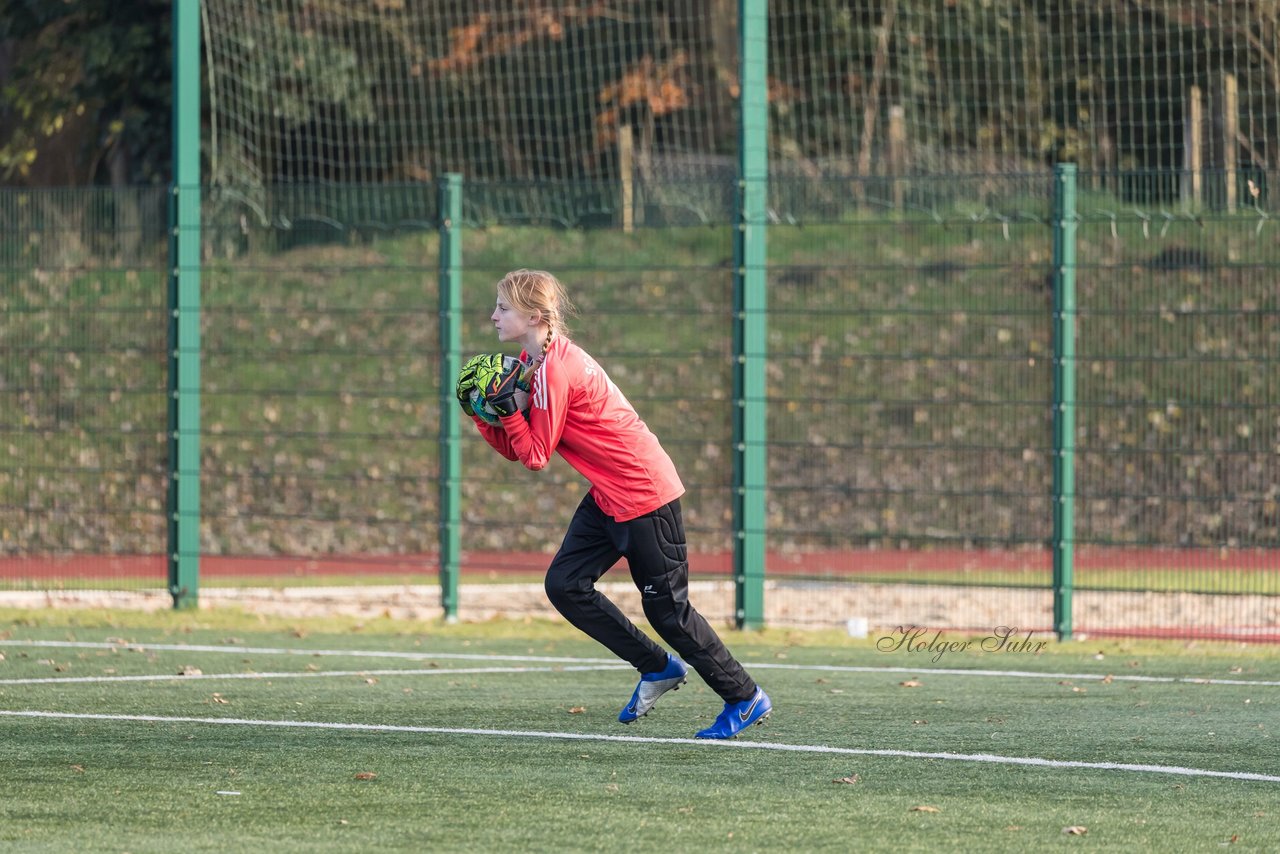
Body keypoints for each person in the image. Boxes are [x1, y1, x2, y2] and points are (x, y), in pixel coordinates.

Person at [454, 269, 771, 739]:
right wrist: (487, 418)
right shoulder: (531, 361)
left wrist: (505, 414)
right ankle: (657, 667)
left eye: (503, 308)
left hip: (644, 492)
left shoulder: (556, 370)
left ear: (535, 316)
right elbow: (521, 448)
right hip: (609, 494)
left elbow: (537, 455)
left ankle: (744, 697)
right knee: (565, 584)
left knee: (669, 612)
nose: (493, 316)